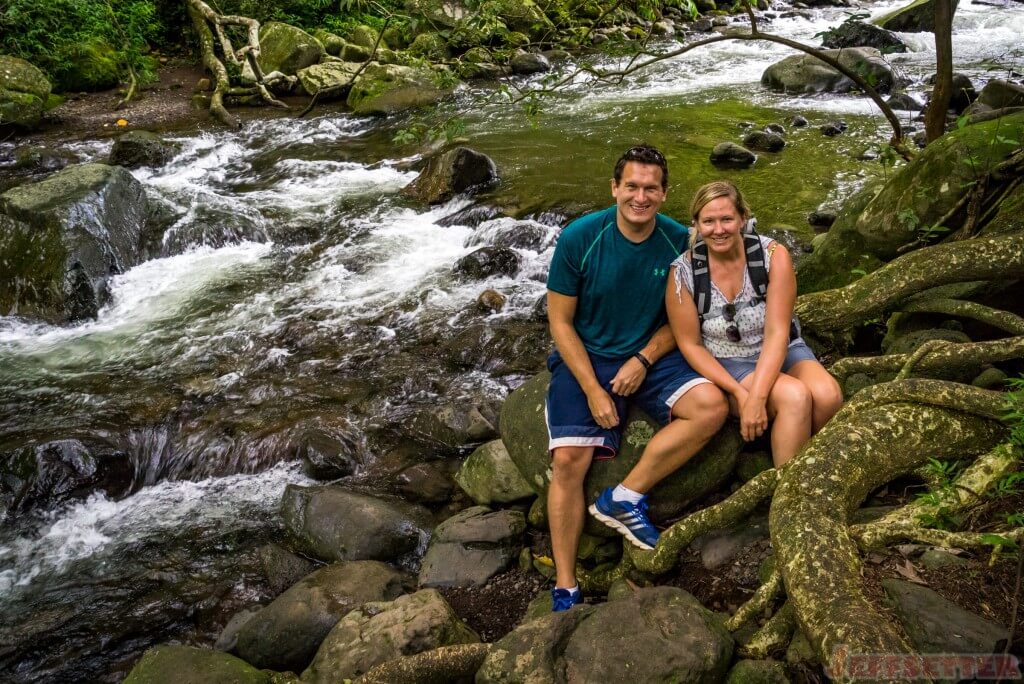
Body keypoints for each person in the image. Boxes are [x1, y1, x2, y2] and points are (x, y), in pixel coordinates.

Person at [545, 145, 729, 612]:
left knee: (711, 407)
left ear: (665, 194)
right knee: (568, 459)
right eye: (632, 186)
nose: (640, 197)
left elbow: (685, 322)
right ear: (615, 188)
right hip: (587, 357)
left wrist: (643, 360)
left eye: (651, 188)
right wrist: (592, 388)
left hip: (649, 357)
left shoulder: (680, 243)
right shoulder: (580, 238)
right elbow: (560, 323)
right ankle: (565, 582)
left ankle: (623, 497)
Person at [666, 180, 842, 469]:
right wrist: (739, 394)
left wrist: (758, 398)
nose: (718, 229)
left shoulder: (772, 255)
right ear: (696, 223)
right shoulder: (682, 273)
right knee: (794, 397)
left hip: (782, 348)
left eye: (726, 219)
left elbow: (777, 333)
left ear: (742, 218)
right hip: (729, 361)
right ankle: (787, 491)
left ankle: (809, 466)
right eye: (708, 221)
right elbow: (690, 345)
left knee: (828, 396)